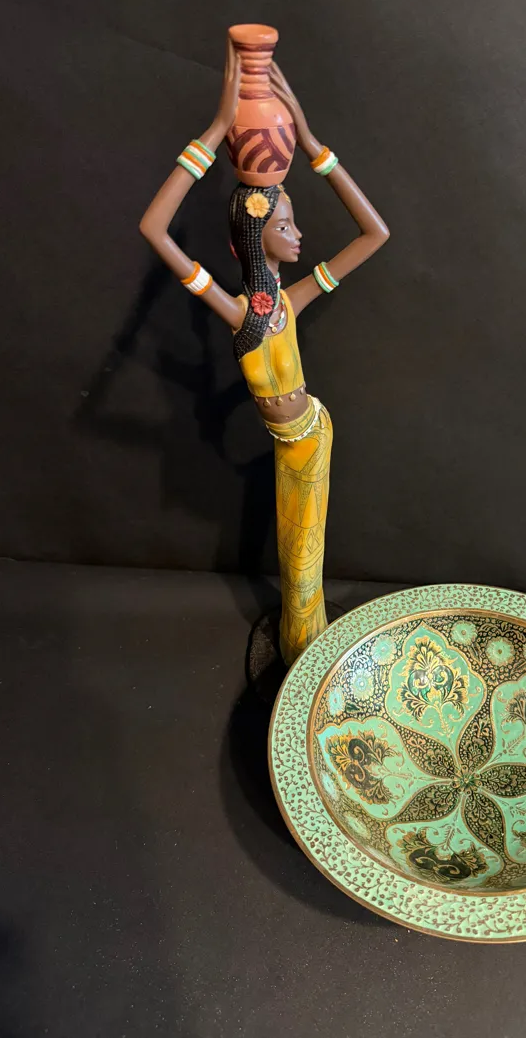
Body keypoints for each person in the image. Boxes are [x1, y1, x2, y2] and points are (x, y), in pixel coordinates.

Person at [140, 39, 389, 664]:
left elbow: (375, 233)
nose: (298, 235)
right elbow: (154, 229)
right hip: (291, 444)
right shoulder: (242, 314)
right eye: (283, 226)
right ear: (253, 238)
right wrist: (215, 131)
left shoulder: (290, 302)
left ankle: (305, 652)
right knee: (299, 556)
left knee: (306, 557)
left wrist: (312, 144)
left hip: (312, 434)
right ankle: (302, 656)